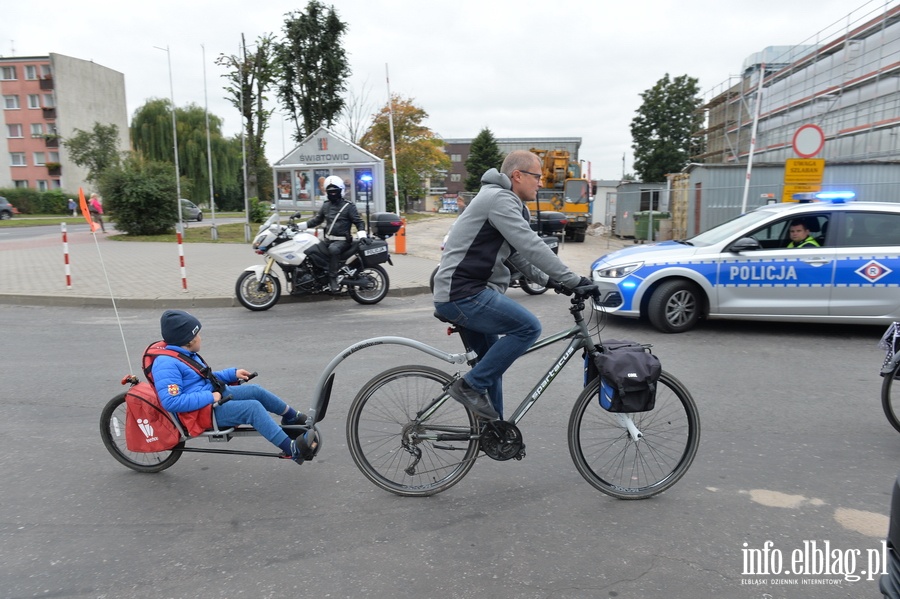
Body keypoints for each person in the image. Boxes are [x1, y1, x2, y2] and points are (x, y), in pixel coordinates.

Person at [432, 150, 596, 420]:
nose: (541, 183)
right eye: (537, 177)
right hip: (464, 293)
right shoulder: (499, 199)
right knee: (528, 327)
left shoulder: (502, 200)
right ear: (517, 176)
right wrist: (574, 280)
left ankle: (492, 430)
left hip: (464, 291)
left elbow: (515, 253)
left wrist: (550, 280)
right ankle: (468, 387)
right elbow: (529, 243)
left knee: (490, 367)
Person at [150, 310, 318, 464]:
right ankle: (292, 449)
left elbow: (203, 377)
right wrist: (210, 397)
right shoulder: (166, 364)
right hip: (200, 412)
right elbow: (171, 402)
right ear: (189, 340)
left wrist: (232, 374)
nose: (201, 337)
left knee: (255, 390)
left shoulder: (183, 353)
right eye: (198, 334)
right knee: (252, 408)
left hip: (213, 397)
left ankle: (292, 417)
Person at [292, 175, 367, 292]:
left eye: (335, 191)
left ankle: (333, 278)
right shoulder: (326, 205)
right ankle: (317, 278)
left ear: (341, 190)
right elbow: (316, 220)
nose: (332, 194)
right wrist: (298, 226)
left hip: (342, 241)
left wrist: (362, 235)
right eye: (330, 191)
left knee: (333, 249)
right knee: (310, 250)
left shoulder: (348, 206)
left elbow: (359, 222)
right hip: (327, 240)